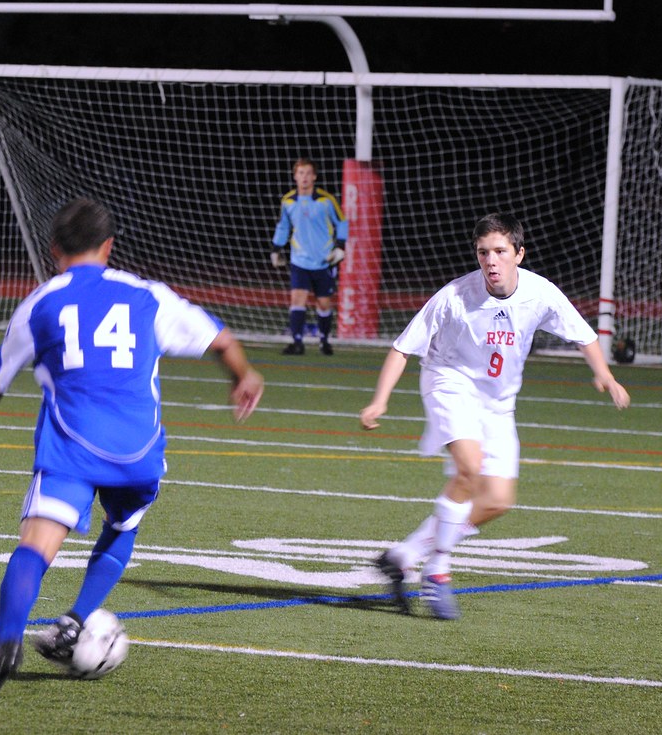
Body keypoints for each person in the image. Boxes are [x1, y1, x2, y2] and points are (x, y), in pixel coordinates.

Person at [0, 197, 264, 699]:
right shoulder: (150, 296)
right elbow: (221, 340)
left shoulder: (40, 303)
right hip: (139, 450)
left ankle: (6, 644)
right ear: (108, 246)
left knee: (36, 545)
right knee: (123, 524)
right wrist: (244, 375)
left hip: (73, 445)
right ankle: (76, 620)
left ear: (53, 252)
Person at [359, 212, 630, 620]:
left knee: (498, 500)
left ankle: (403, 555)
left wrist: (605, 376)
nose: (491, 261)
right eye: (484, 252)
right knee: (469, 468)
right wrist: (380, 400)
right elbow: (402, 348)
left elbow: (584, 335)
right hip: (449, 383)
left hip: (499, 401)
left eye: (500, 251)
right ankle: (436, 572)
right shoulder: (454, 296)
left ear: (519, 254)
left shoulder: (540, 293)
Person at [270, 157, 348, 356]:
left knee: (324, 303)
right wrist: (276, 249)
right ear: (295, 176)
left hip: (324, 260)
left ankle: (324, 341)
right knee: (297, 299)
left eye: (308, 173)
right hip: (299, 260)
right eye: (300, 173)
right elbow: (283, 226)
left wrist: (340, 246)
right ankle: (297, 343)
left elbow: (341, 222)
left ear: (314, 176)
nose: (304, 177)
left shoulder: (326, 200)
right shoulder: (288, 201)